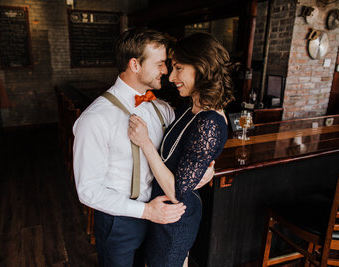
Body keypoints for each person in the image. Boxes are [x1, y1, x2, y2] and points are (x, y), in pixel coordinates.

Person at [72, 28, 214, 267]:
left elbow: (191, 145)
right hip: (120, 221)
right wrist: (145, 212)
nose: (166, 71)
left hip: (162, 215)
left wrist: (208, 168)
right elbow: (87, 190)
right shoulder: (95, 119)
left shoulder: (163, 108)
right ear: (135, 64)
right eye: (160, 64)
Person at [128, 32, 234, 267]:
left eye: (179, 68)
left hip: (176, 219)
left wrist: (144, 143)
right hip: (162, 211)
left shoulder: (210, 121)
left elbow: (177, 192)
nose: (171, 76)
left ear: (201, 68)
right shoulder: (191, 106)